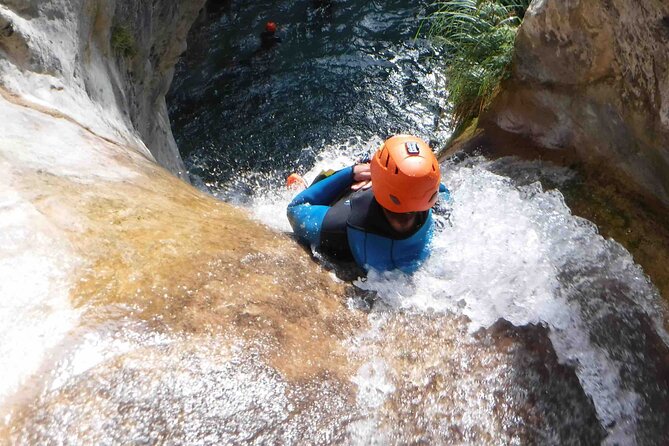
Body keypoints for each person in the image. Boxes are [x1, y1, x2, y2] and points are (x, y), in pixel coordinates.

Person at [286, 135, 449, 274]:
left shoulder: (343, 222)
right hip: (390, 263)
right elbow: (440, 190)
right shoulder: (440, 215)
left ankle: (307, 185)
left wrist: (351, 173)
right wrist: (395, 182)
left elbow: (296, 207)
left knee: (336, 178)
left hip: (348, 247)